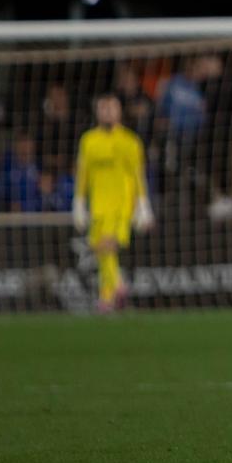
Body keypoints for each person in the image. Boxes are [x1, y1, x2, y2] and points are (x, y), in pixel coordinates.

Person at [73, 91, 152, 313]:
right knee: (101, 250)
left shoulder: (130, 141)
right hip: (97, 204)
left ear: (119, 111)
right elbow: (83, 173)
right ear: (97, 111)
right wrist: (78, 203)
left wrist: (143, 206)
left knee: (106, 245)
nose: (107, 111)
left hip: (121, 204)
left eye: (111, 107)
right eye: (103, 108)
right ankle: (108, 298)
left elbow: (139, 175)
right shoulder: (88, 140)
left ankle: (115, 289)